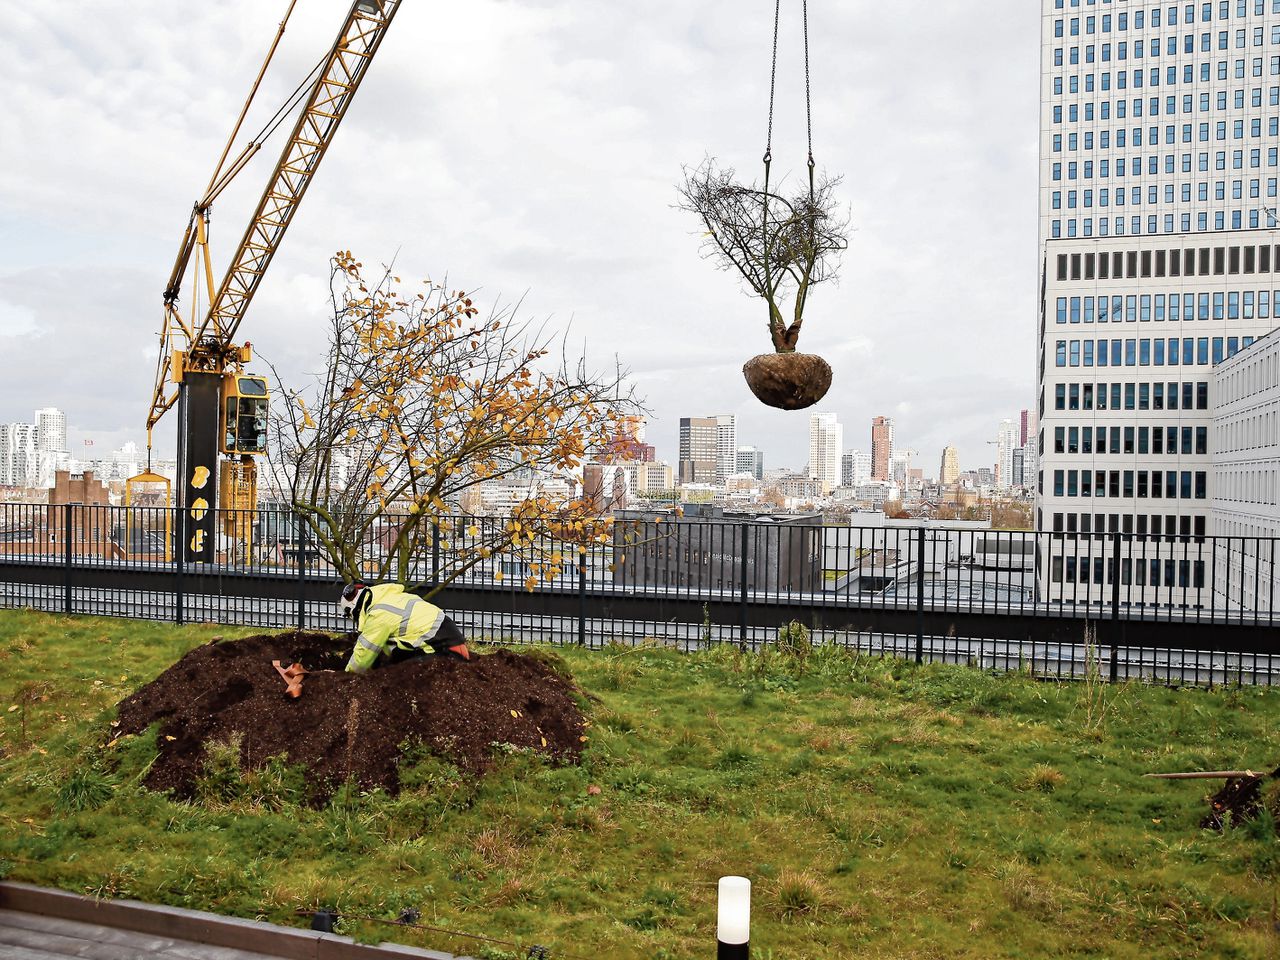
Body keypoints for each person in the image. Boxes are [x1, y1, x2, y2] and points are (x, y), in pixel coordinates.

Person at [338, 582, 470, 673]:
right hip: (448, 644)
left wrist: (346, 677)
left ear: (354, 610)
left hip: (448, 654)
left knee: (396, 676)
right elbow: (389, 647)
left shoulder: (378, 615)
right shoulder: (389, 598)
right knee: (394, 661)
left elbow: (361, 660)